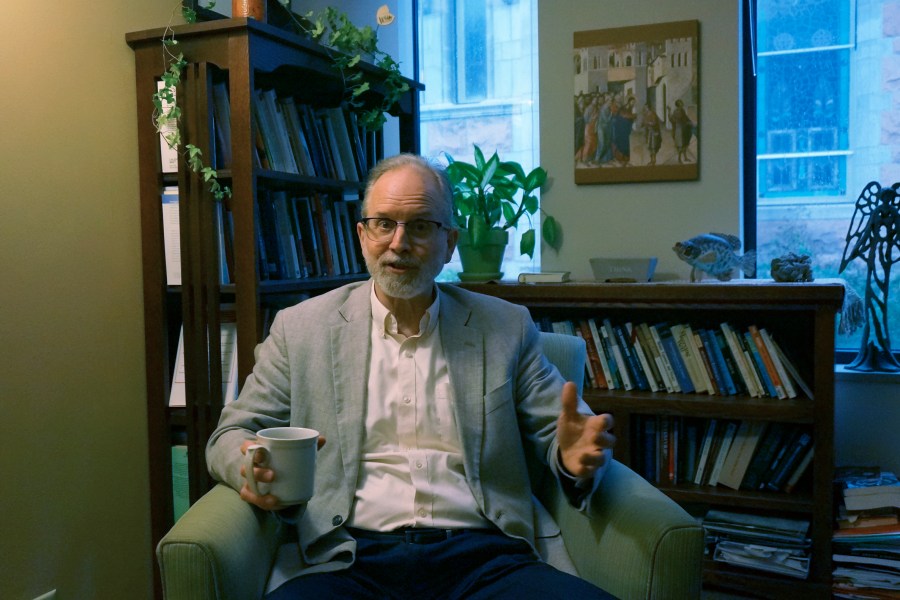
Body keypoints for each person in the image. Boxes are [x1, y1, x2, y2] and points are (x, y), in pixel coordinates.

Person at [206, 153, 617, 599]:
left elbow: (561, 432)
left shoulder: (505, 327)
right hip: (348, 559)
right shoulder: (301, 329)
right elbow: (231, 434)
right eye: (384, 223)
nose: (399, 243)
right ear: (362, 235)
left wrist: (573, 458)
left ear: (450, 243)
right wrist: (251, 464)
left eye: (421, 226)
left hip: (486, 557)